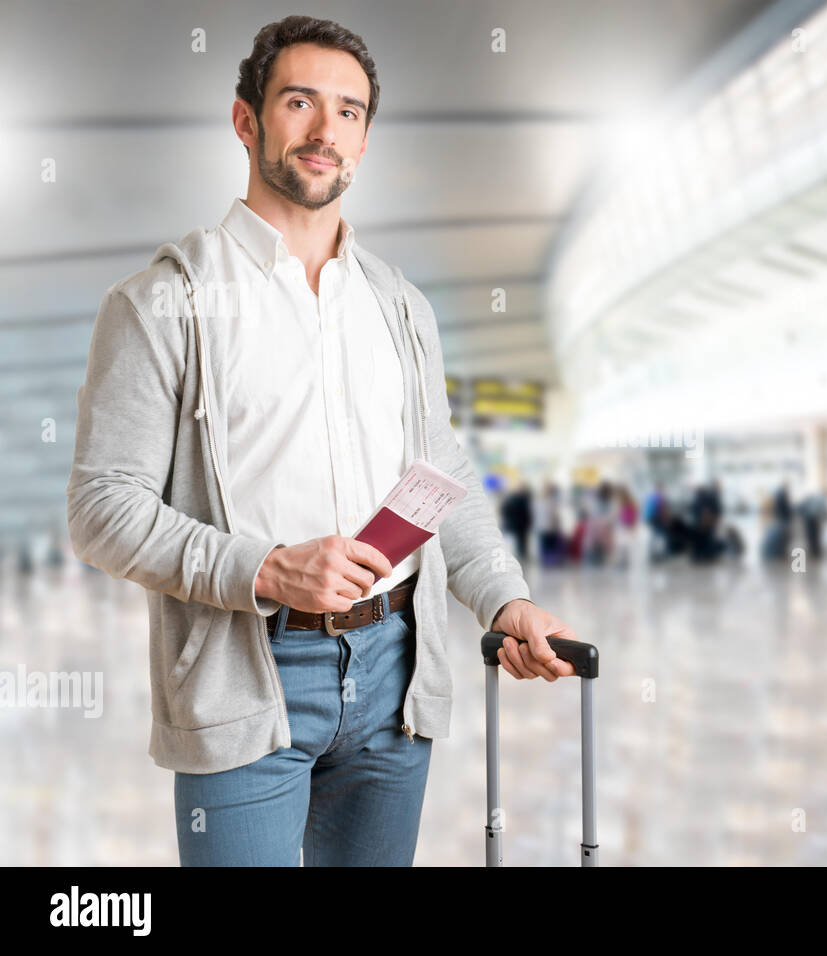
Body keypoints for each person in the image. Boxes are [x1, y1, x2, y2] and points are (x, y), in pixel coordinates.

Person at [65, 16, 578, 867]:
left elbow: (438, 475)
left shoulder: (399, 305)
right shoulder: (164, 301)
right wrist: (266, 569)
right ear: (247, 120)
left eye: (347, 112)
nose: (322, 130)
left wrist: (505, 598)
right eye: (299, 101)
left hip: (396, 671)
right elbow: (100, 508)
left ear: (365, 139)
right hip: (249, 673)